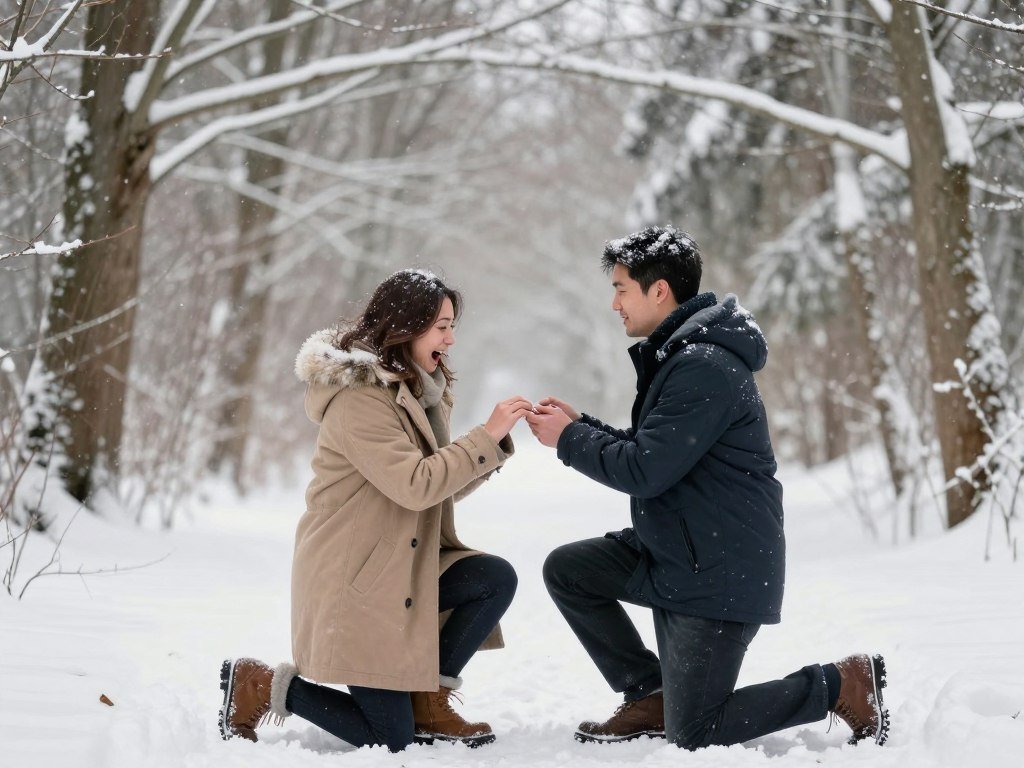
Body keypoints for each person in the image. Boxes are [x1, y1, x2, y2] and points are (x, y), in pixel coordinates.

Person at [526, 226, 889, 750]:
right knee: (569, 570)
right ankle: (650, 695)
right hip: (676, 555)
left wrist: (570, 440)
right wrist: (583, 424)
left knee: (697, 732)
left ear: (659, 290)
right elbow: (659, 449)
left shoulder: (704, 366)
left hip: (716, 572)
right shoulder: (683, 356)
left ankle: (840, 684)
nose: (614, 303)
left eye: (622, 288)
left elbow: (646, 469)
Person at [219, 269, 533, 751]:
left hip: (398, 568)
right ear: (406, 327)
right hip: (358, 583)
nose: (451, 339)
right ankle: (263, 684)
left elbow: (434, 490)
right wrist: (483, 438)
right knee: (389, 739)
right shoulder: (360, 399)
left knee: (492, 577)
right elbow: (415, 484)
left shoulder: (418, 391)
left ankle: (429, 699)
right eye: (442, 326)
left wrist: (494, 446)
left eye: (452, 325)